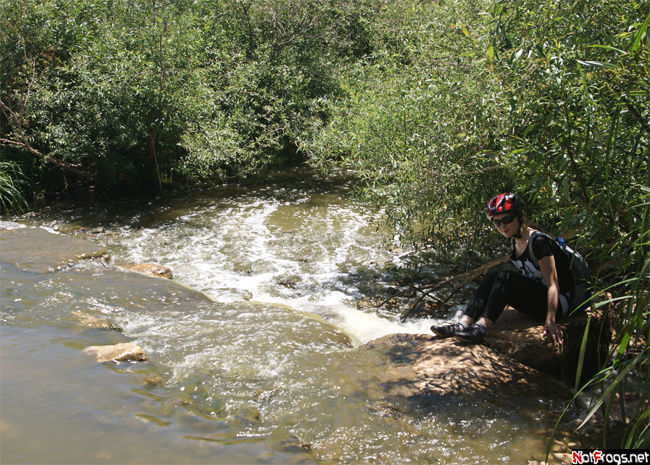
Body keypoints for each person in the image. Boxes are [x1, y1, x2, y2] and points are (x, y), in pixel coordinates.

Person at [430, 193, 571, 345]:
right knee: (492, 276)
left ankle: (481, 328)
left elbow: (553, 285)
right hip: (537, 297)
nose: (502, 226)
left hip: (559, 305)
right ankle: (463, 324)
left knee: (506, 276)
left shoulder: (538, 242)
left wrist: (550, 321)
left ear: (519, 216)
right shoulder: (514, 241)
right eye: (497, 223)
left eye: (507, 219)